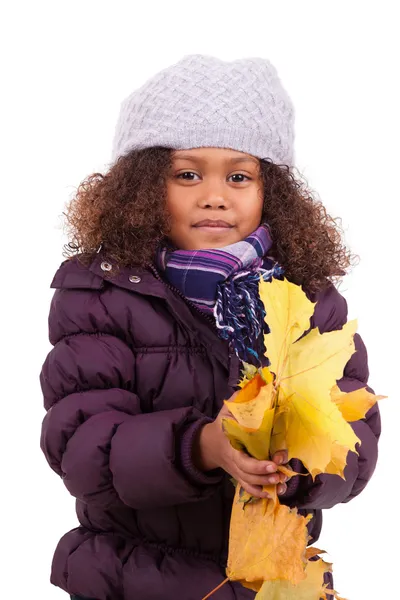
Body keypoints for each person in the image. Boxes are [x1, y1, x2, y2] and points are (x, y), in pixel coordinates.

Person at [40, 54, 381, 600]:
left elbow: (355, 435)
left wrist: (292, 468)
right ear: (145, 186)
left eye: (239, 175)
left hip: (274, 580)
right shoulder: (99, 295)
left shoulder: (307, 300)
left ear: (273, 191)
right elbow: (83, 450)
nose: (215, 196)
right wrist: (202, 446)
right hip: (133, 579)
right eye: (188, 174)